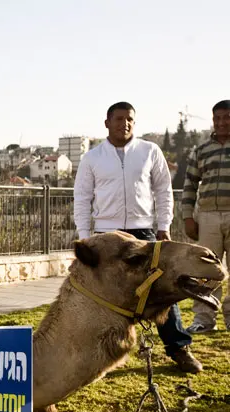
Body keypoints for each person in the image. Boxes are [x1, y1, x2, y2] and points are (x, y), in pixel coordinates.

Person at [73, 101, 202, 374]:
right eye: (119, 119)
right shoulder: (92, 158)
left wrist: (163, 225)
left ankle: (179, 348)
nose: (125, 123)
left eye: (129, 118)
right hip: (106, 235)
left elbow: (164, 192)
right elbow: (82, 199)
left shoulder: (149, 151)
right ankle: (96, 353)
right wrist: (85, 238)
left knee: (162, 289)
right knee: (102, 294)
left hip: (143, 231)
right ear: (107, 123)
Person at [182, 100, 230, 333]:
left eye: (227, 117)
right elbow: (190, 185)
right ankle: (204, 319)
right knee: (205, 270)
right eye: (217, 118)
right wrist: (188, 217)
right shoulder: (201, 150)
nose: (221, 122)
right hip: (208, 217)